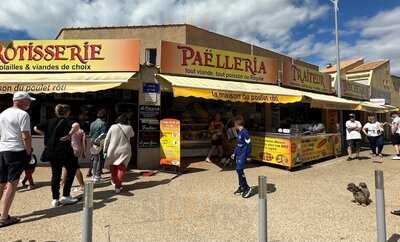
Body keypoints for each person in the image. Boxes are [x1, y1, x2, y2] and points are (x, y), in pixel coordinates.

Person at [34, 104, 80, 207]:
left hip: (52, 152)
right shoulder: (68, 121)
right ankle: (66, 196)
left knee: (55, 174)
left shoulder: (49, 121)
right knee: (71, 170)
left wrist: (47, 135)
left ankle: (55, 199)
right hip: (65, 151)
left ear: (56, 112)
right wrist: (69, 134)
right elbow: (76, 125)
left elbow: (35, 127)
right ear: (67, 112)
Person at [0, 91, 34, 227]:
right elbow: (26, 135)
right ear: (20, 100)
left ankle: (3, 215)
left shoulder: (2, 114)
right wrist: (28, 151)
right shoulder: (23, 114)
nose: (29, 103)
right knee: (12, 184)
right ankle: (4, 217)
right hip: (16, 150)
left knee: (1, 183)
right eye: (28, 100)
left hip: (3, 150)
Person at [103, 113, 134, 193]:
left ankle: (115, 182)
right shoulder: (129, 127)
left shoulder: (113, 126)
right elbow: (132, 135)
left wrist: (105, 149)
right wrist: (129, 125)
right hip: (124, 150)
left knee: (113, 166)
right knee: (121, 168)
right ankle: (118, 186)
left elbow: (107, 139)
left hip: (112, 149)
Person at [232, 115, 252, 198]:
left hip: (243, 154)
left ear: (237, 124)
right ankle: (241, 186)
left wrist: (248, 155)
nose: (234, 126)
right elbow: (238, 145)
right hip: (239, 154)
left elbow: (249, 144)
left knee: (239, 169)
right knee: (238, 170)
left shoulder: (245, 132)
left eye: (234, 124)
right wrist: (234, 153)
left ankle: (247, 187)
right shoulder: (239, 132)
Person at [88, 109, 107, 181]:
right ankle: (97, 175)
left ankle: (93, 175)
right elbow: (103, 135)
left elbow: (90, 134)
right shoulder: (103, 123)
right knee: (99, 159)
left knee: (94, 159)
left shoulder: (92, 123)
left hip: (92, 142)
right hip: (99, 143)